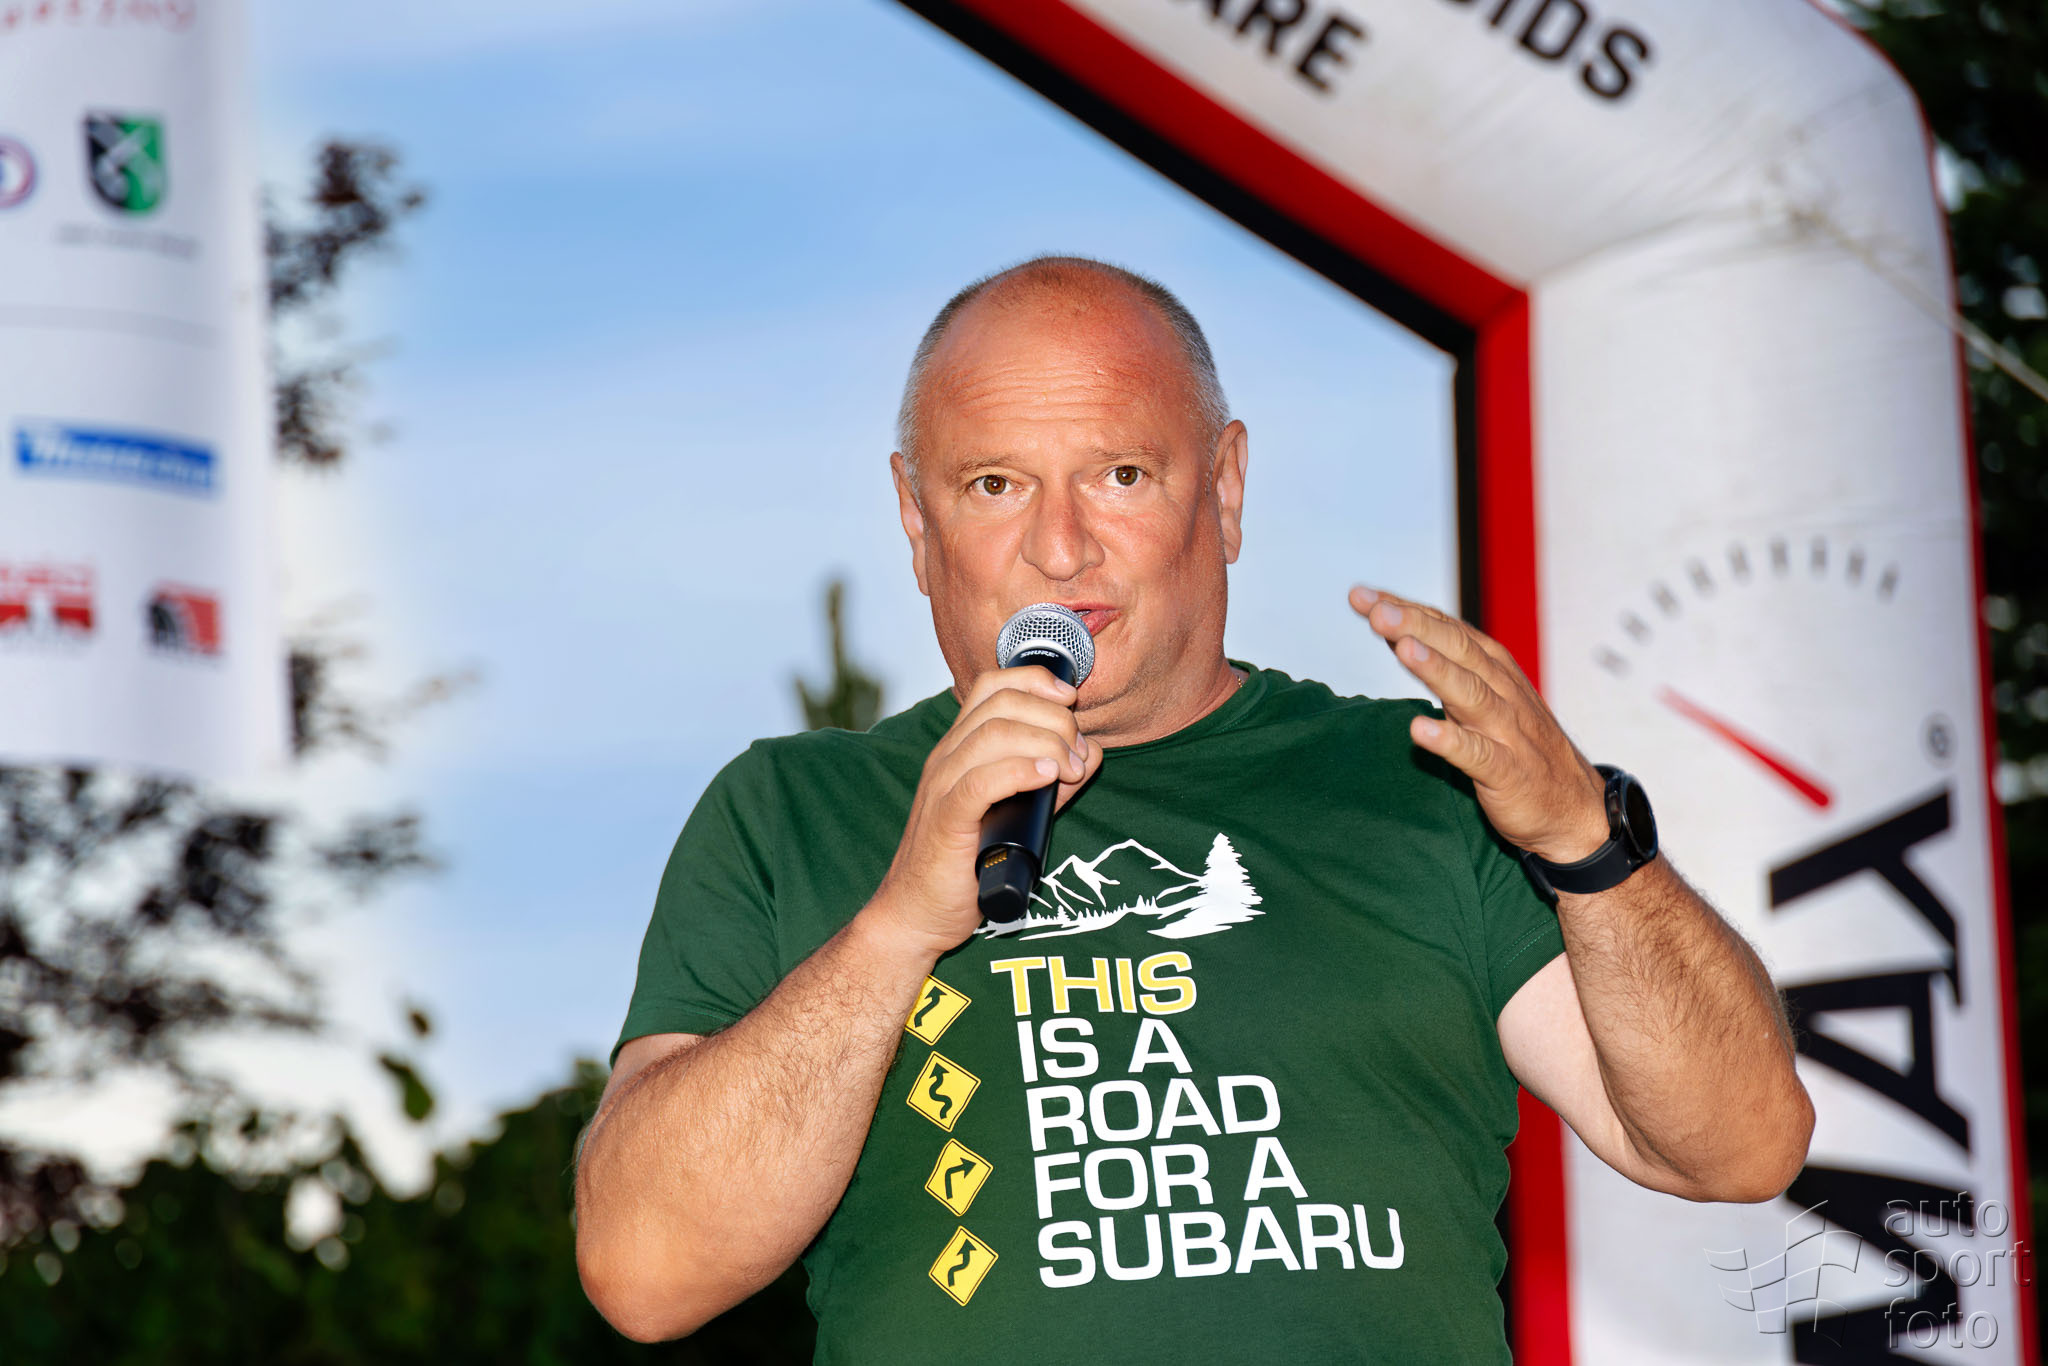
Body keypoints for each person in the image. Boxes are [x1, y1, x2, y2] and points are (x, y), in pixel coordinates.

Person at [573, 257, 1813, 1362]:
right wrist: (896, 925)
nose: (1061, 548)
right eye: (995, 484)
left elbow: (1736, 1145)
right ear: (915, 515)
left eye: (1120, 474)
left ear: (1222, 488)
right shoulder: (792, 810)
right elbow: (645, 1272)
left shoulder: (1421, 782)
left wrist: (1586, 845)